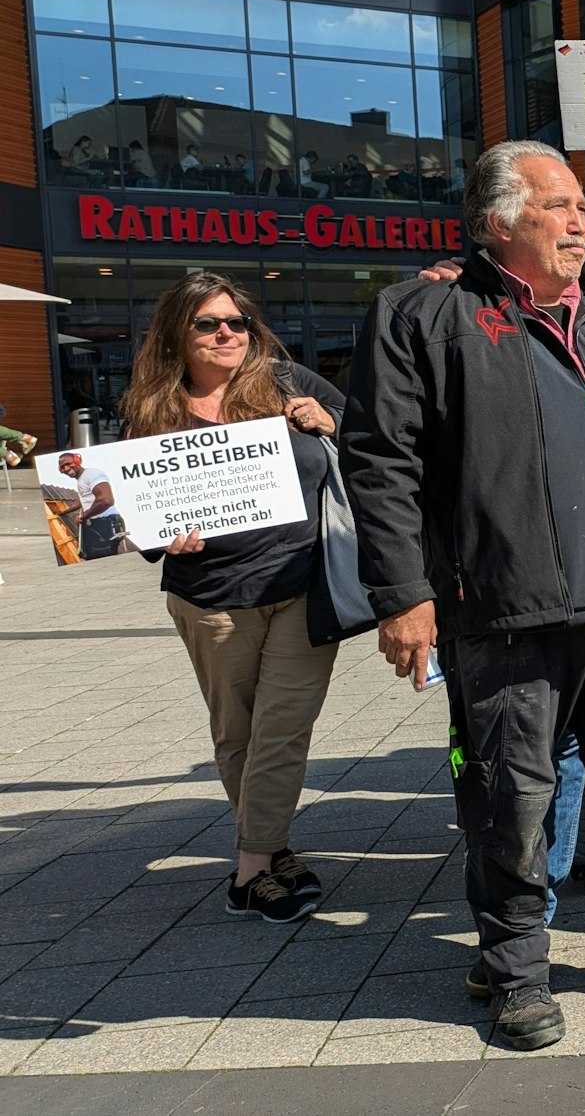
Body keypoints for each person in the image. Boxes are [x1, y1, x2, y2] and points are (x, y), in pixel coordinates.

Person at [343, 140, 585, 1052]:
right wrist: (403, 595)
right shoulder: (424, 314)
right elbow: (379, 461)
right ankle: (515, 969)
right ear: (498, 222)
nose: (581, 220)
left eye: (580, 208)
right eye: (558, 206)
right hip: (504, 610)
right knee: (510, 801)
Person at [120, 272, 345, 924]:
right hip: (209, 598)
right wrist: (168, 539)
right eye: (208, 324)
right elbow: (137, 526)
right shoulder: (151, 412)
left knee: (281, 729)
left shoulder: (288, 383)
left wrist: (329, 422)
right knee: (237, 736)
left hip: (303, 587)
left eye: (236, 322)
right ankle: (274, 859)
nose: (226, 334)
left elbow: (376, 441)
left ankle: (248, 869)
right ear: (177, 336)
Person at [54, 452, 126, 559]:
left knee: (100, 558)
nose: (66, 468)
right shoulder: (81, 479)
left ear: (77, 461)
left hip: (106, 523)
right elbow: (83, 500)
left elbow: (106, 500)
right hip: (101, 524)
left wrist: (83, 516)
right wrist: (64, 512)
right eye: (62, 467)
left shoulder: (91, 474)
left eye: (68, 463)